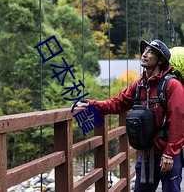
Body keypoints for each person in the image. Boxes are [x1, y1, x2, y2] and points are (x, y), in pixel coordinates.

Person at [75, 39, 184, 192]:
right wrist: (92, 105)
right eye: (144, 51)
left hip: (167, 153)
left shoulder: (172, 86)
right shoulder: (139, 85)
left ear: (160, 60)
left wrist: (170, 154)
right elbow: (118, 103)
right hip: (147, 153)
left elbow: (178, 121)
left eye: (150, 52)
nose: (144, 54)